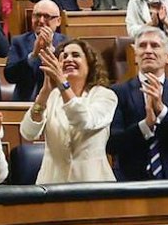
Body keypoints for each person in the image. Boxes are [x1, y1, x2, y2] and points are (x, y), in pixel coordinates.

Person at [107, 27, 168, 181]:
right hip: (132, 183)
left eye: (155, 45)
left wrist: (163, 112)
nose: (148, 51)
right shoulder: (117, 92)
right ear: (135, 55)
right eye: (142, 46)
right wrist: (145, 126)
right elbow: (112, 145)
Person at [20, 38, 118, 183]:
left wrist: (62, 83)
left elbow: (83, 121)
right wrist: (44, 93)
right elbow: (28, 133)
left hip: (94, 185)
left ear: (90, 64)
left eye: (76, 55)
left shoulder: (105, 96)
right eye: (64, 56)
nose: (68, 59)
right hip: (52, 184)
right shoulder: (52, 96)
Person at [4, 0, 65, 102]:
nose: (41, 21)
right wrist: (33, 55)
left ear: (58, 21)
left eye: (46, 16)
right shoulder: (19, 41)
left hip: (57, 101)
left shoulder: (67, 43)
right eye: (37, 16)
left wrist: (51, 50)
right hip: (26, 101)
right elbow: (10, 76)